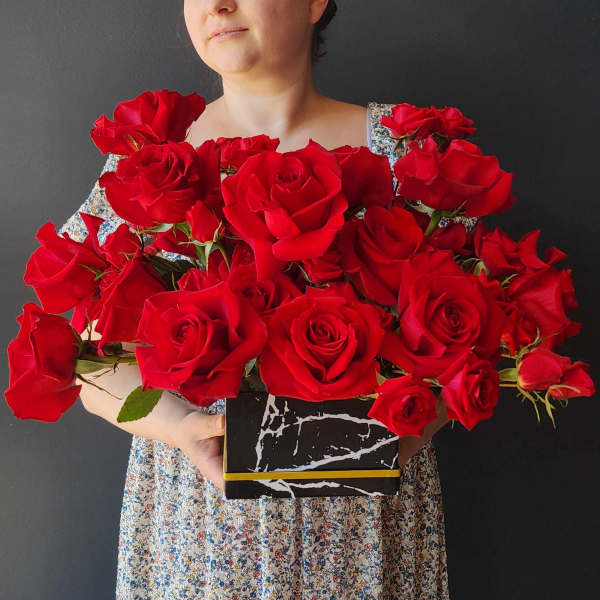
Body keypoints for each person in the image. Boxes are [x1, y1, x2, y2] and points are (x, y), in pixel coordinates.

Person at [59, 1, 455, 597]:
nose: (217, 4)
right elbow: (88, 358)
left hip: (363, 527)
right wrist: (182, 428)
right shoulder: (151, 165)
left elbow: (471, 342)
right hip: (203, 530)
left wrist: (407, 429)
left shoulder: (403, 150)